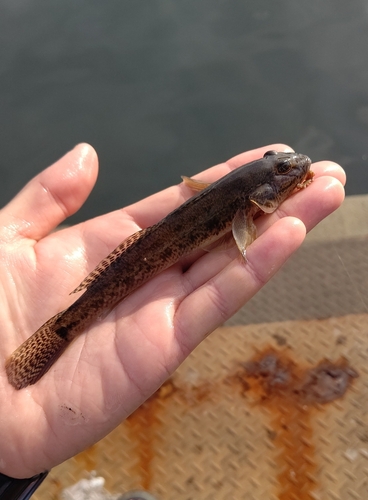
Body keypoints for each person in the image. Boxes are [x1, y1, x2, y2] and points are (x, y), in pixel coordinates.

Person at [0, 144, 345, 484]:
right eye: (279, 168)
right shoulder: (245, 201)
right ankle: (60, 333)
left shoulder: (232, 192)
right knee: (86, 309)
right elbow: (243, 232)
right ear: (256, 193)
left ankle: (57, 334)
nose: (292, 166)